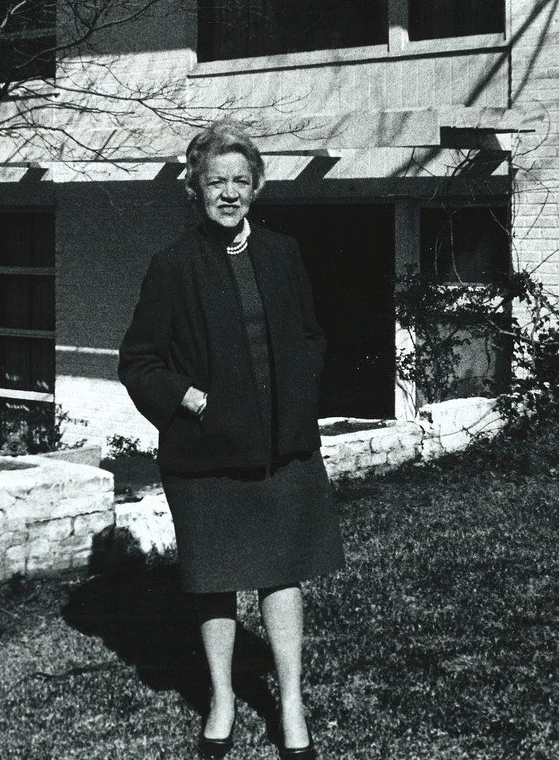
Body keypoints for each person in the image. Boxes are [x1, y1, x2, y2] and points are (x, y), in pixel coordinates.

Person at [119, 122, 344, 760]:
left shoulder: (283, 253)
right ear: (194, 187)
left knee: (281, 575)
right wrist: (189, 399)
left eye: (240, 181)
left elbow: (310, 337)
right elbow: (139, 362)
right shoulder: (172, 265)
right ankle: (221, 698)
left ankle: (291, 703)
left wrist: (297, 399)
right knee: (213, 579)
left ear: (257, 187)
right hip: (206, 456)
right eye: (216, 181)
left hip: (281, 451)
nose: (228, 193)